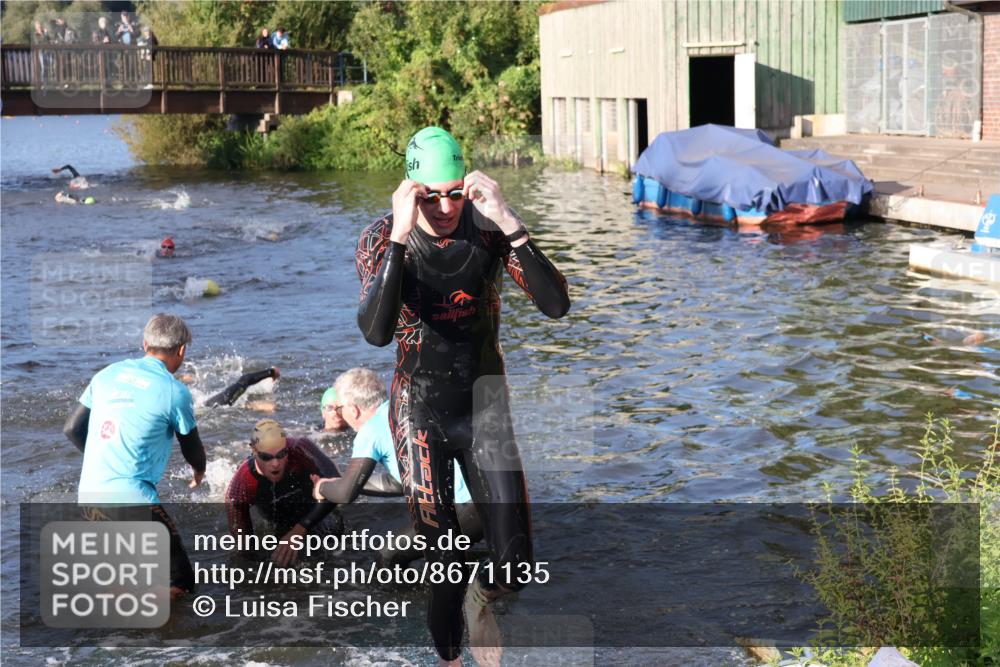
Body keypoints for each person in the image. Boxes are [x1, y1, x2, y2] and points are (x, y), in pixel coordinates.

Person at [355, 126, 570, 666]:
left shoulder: (489, 230)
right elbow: (376, 331)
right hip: (420, 411)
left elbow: (556, 305)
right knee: (445, 565)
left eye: (455, 193)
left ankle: (483, 594)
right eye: (432, 197)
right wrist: (401, 236)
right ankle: (450, 661)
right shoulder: (381, 237)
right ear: (411, 191)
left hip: (485, 407)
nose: (447, 207)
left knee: (516, 567)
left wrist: (509, 219)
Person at [62, 313, 206, 598]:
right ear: (181, 350)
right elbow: (192, 446)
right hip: (133, 500)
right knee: (181, 582)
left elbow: (72, 428)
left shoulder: (107, 374)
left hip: (90, 496)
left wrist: (104, 460)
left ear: (145, 344)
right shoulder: (174, 391)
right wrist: (199, 470)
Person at [311, 368, 482, 568]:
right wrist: (344, 480)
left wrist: (322, 487)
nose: (340, 414)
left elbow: (345, 494)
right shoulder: (404, 410)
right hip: (487, 493)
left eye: (340, 408)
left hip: (465, 507)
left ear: (353, 409)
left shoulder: (370, 430)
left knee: (387, 556)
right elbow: (399, 483)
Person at [225, 419, 344, 566]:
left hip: (312, 513)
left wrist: (300, 528)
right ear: (254, 451)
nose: (275, 463)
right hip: (278, 523)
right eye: (266, 457)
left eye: (281, 454)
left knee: (333, 543)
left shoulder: (300, 449)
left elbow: (340, 488)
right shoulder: (242, 483)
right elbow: (244, 545)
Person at [204, 367, 279, 407]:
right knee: (243, 382)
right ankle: (271, 372)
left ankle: (271, 372)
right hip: (224, 401)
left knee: (243, 383)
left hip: (220, 401)